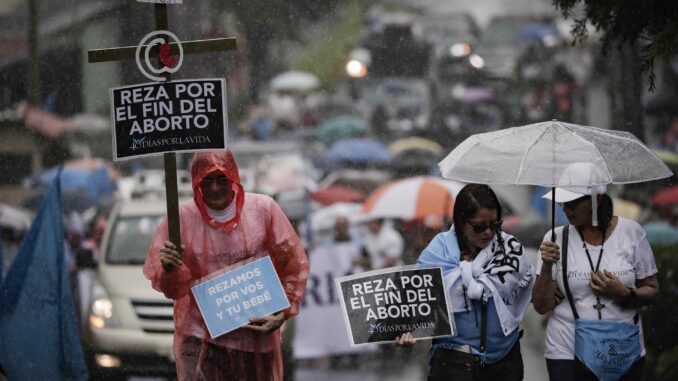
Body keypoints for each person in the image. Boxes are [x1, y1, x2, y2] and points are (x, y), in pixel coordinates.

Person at [143, 150, 309, 381]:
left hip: (255, 339)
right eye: (206, 181)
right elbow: (172, 289)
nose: (214, 188)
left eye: (222, 179)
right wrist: (170, 269)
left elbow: (293, 264)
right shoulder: (180, 219)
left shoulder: (263, 210)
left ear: (234, 177)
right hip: (201, 339)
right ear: (196, 183)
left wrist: (283, 312)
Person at [396, 184, 534, 381]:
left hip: (505, 363)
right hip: (453, 365)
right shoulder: (438, 252)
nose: (488, 232)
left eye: (495, 225)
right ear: (460, 222)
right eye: (479, 227)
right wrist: (404, 330)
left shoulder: (510, 250)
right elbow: (416, 296)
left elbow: (527, 290)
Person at [532, 179, 659, 381]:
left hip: (622, 348)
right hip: (567, 350)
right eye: (562, 203)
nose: (565, 209)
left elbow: (652, 290)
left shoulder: (631, 232)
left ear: (596, 199)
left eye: (572, 203)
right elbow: (540, 305)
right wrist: (547, 267)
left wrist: (625, 293)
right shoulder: (555, 238)